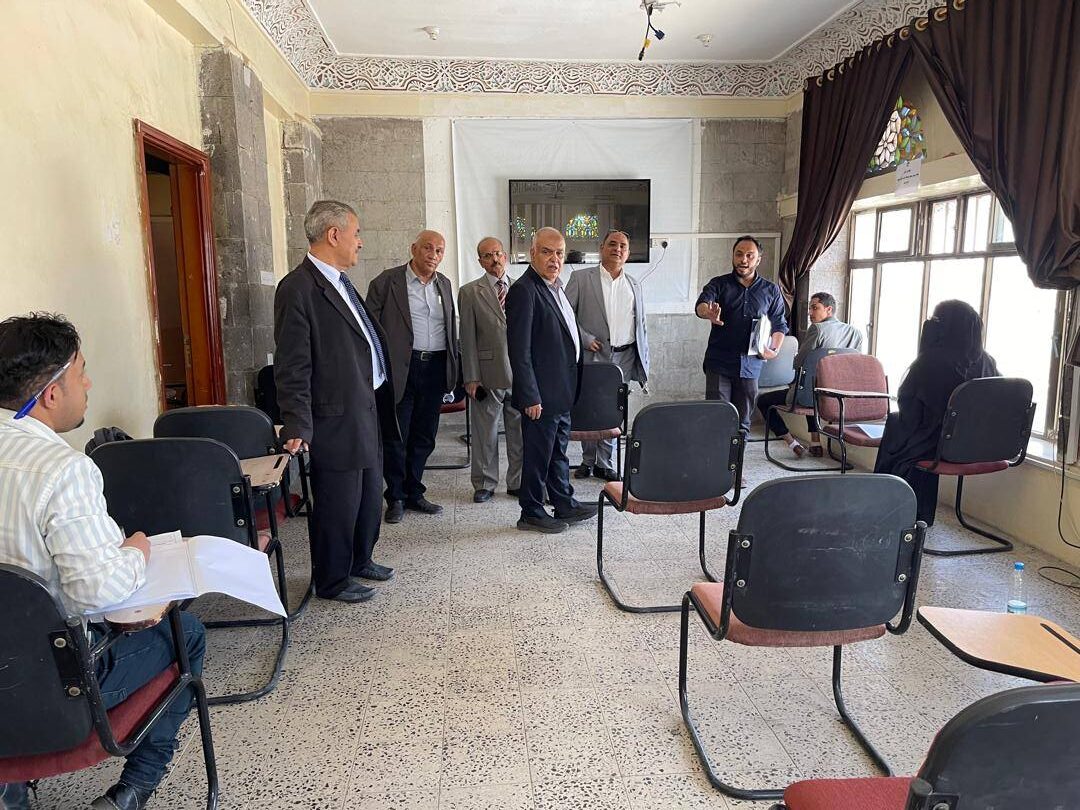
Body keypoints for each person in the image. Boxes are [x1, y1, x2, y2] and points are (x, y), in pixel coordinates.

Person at [0, 313, 204, 810]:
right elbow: (98, 592)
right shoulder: (63, 470)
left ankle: (11, 787)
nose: (88, 384)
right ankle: (132, 790)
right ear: (52, 393)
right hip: (53, 685)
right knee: (189, 632)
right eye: (82, 372)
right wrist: (135, 550)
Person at [274, 200, 400, 604]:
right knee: (338, 503)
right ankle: (331, 579)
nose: (360, 242)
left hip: (366, 408)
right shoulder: (298, 288)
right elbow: (292, 364)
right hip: (334, 417)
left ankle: (360, 559)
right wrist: (296, 422)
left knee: (367, 494)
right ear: (334, 235)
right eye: (356, 233)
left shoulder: (342, 283)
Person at [506, 227, 598, 533]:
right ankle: (531, 511)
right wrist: (530, 395)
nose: (554, 259)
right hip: (541, 397)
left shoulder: (555, 288)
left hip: (561, 391)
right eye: (546, 252)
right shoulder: (525, 290)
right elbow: (519, 350)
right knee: (538, 456)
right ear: (532, 253)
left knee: (558, 452)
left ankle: (563, 502)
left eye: (559, 253)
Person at [874, 300, 999, 524]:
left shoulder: (930, 361)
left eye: (934, 320)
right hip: (978, 446)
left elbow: (909, 406)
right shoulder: (987, 361)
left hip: (941, 447)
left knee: (895, 427)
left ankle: (889, 509)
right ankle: (913, 511)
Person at [366, 230, 460, 524]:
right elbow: (369, 330)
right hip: (401, 369)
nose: (434, 255)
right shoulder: (386, 282)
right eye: (428, 248)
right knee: (398, 435)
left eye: (439, 250)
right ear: (414, 249)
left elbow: (450, 328)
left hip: (435, 368)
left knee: (424, 435)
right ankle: (395, 496)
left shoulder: (444, 284)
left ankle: (414, 491)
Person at [565, 229, 650, 481]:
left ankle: (605, 463)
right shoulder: (581, 278)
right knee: (590, 407)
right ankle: (587, 461)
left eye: (623, 246)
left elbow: (641, 325)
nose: (617, 249)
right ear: (602, 248)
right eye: (612, 244)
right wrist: (585, 338)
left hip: (624, 357)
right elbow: (565, 315)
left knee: (613, 410)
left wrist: (644, 360)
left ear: (628, 253)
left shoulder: (634, 284)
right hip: (592, 355)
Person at [695, 236, 788, 442]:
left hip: (750, 365)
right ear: (733, 256)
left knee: (743, 422)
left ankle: (736, 462)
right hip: (719, 363)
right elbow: (701, 304)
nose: (743, 260)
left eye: (749, 255)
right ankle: (718, 462)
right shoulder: (718, 284)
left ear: (758, 260)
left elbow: (779, 324)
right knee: (717, 418)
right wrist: (708, 312)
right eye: (739, 254)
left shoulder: (771, 290)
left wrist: (774, 349)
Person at [756, 291, 863, 457]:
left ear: (829, 309)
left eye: (815, 308)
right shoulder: (855, 333)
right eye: (809, 309)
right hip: (838, 397)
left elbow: (799, 363)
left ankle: (791, 443)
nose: (810, 313)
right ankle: (815, 442)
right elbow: (855, 364)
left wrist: (794, 357)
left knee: (763, 401)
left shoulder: (817, 329)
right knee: (811, 387)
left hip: (811, 396)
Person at [458, 237, 523, 502]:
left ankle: (518, 481)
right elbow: (467, 337)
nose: (494, 259)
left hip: (520, 373)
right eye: (487, 255)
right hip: (487, 374)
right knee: (485, 432)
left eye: (497, 253)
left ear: (505, 256)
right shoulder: (470, 292)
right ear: (480, 261)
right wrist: (471, 377)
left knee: (519, 432)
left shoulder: (521, 288)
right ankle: (484, 483)